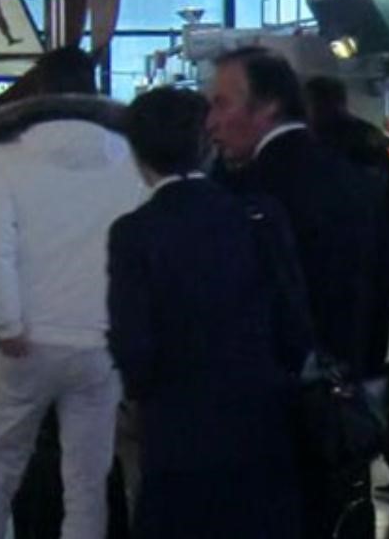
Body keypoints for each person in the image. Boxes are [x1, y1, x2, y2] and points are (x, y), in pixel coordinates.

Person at [108, 87, 311, 539]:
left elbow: (133, 339)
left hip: (177, 421)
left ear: (137, 151)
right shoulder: (258, 215)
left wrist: (138, 396)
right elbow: (295, 319)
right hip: (261, 413)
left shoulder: (135, 233)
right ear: (206, 144)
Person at [0, 47, 144, 539]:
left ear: (40, 89)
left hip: (27, 340)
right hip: (100, 341)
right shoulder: (130, 156)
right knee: (86, 484)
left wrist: (6, 322)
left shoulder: (4, 156)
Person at [207, 47, 387, 539]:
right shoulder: (346, 175)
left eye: (222, 104)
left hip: (271, 404)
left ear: (267, 107)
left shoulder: (254, 191)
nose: (212, 122)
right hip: (338, 392)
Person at [305, 76, 389, 360]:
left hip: (327, 271)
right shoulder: (370, 139)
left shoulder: (310, 145)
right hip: (378, 263)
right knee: (369, 352)